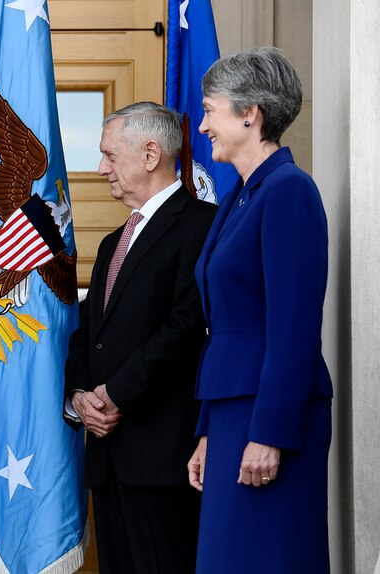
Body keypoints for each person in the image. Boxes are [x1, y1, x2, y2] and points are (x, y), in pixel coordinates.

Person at [186, 46, 332, 573]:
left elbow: (293, 329)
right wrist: (207, 431)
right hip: (232, 415)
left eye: (210, 110)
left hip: (270, 418)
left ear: (251, 114)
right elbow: (221, 327)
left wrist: (269, 432)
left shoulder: (290, 191)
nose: (202, 126)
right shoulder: (239, 198)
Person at [64, 101, 216, 574]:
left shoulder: (201, 227)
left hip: (161, 461)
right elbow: (87, 333)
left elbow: (185, 329)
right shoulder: (113, 241)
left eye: (110, 155)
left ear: (151, 154)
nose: (100, 168)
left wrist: (116, 395)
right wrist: (80, 397)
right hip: (108, 461)